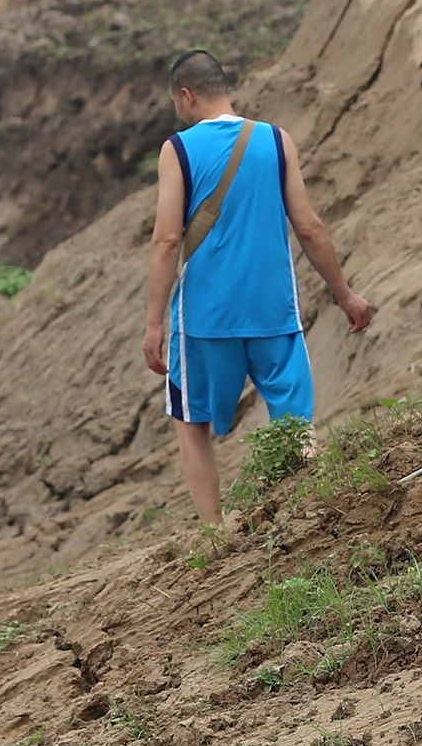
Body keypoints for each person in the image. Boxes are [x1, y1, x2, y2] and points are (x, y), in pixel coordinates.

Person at [141, 49, 374, 526]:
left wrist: (152, 323)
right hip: (273, 311)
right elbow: (309, 227)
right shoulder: (275, 139)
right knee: (294, 420)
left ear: (187, 96)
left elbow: (166, 241)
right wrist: (346, 295)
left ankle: (213, 533)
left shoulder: (178, 151)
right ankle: (315, 513)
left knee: (192, 420)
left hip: (206, 318)